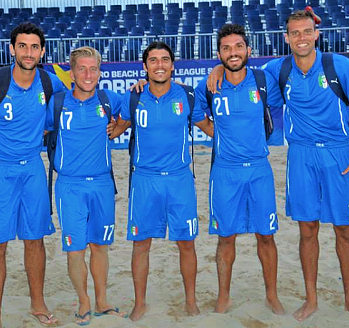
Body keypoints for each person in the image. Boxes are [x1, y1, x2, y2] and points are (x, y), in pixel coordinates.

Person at [209, 9, 349, 322]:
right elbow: (239, 66)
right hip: (300, 155)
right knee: (307, 229)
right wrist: (218, 67)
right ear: (286, 38)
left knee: (345, 230)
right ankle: (311, 300)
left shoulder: (338, 65)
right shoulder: (278, 69)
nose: (301, 38)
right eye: (295, 33)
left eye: (306, 31)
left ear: (317, 34)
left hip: (339, 153)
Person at [0, 22, 66, 328]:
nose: (29, 52)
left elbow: (80, 95)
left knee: (35, 240)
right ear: (12, 49)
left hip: (33, 168)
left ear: (42, 51)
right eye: (22, 46)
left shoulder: (50, 83)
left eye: (35, 47)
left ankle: (38, 303)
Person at [110, 41, 213, 321]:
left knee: (186, 243)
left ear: (172, 65)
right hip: (144, 180)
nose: (159, 65)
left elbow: (212, 127)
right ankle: (139, 304)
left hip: (180, 180)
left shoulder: (188, 96)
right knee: (141, 244)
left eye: (164, 59)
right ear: (144, 67)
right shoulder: (134, 98)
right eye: (153, 60)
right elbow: (114, 128)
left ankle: (191, 301)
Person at [194, 24, 286, 315]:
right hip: (225, 171)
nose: (232, 53)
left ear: (248, 49)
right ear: (218, 53)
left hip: (259, 169)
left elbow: (293, 61)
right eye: (226, 48)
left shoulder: (264, 80)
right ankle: (224, 297)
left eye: (237, 47)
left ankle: (272, 296)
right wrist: (219, 135)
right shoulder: (207, 86)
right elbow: (198, 117)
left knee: (266, 235)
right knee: (226, 236)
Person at [46, 46, 127, 325]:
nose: (88, 74)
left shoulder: (109, 99)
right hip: (69, 186)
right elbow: (42, 130)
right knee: (75, 248)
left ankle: (102, 300)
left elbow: (134, 105)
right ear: (72, 72)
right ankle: (84, 301)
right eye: (82, 68)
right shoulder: (57, 103)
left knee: (100, 246)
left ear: (100, 72)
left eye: (93, 69)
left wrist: (119, 126)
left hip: (103, 185)